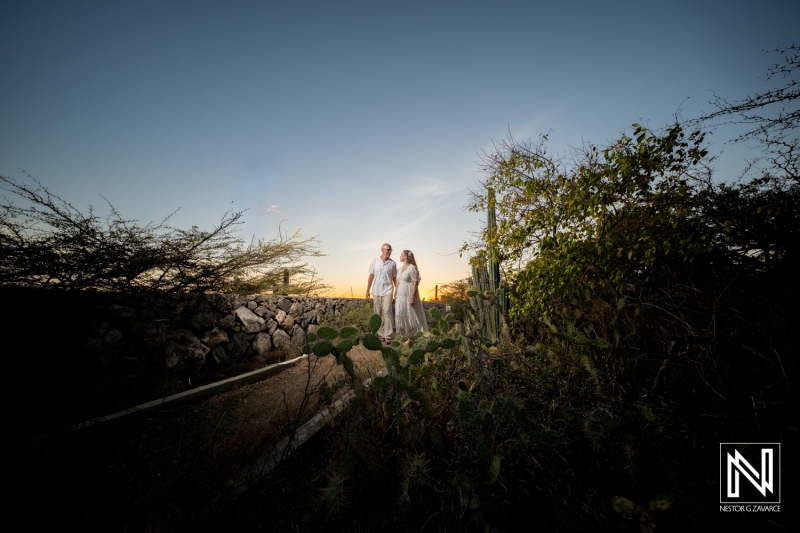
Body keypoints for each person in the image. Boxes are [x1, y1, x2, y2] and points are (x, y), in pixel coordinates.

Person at [366, 243, 397, 342]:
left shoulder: (392, 263)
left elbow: (394, 278)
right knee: (377, 312)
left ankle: (388, 335)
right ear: (382, 250)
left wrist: (396, 290)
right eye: (387, 250)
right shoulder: (375, 261)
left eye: (390, 250)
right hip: (376, 290)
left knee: (387, 310)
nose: (389, 252)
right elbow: (371, 277)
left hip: (388, 290)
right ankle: (380, 334)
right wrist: (367, 290)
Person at [394, 249, 428, 338]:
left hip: (408, 293)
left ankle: (413, 336)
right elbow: (397, 281)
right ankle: (403, 335)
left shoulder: (412, 268)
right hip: (400, 295)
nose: (399, 256)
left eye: (401, 254)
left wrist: (412, 297)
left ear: (405, 256)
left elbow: (415, 283)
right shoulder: (399, 268)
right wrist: (395, 291)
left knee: (410, 313)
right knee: (400, 312)